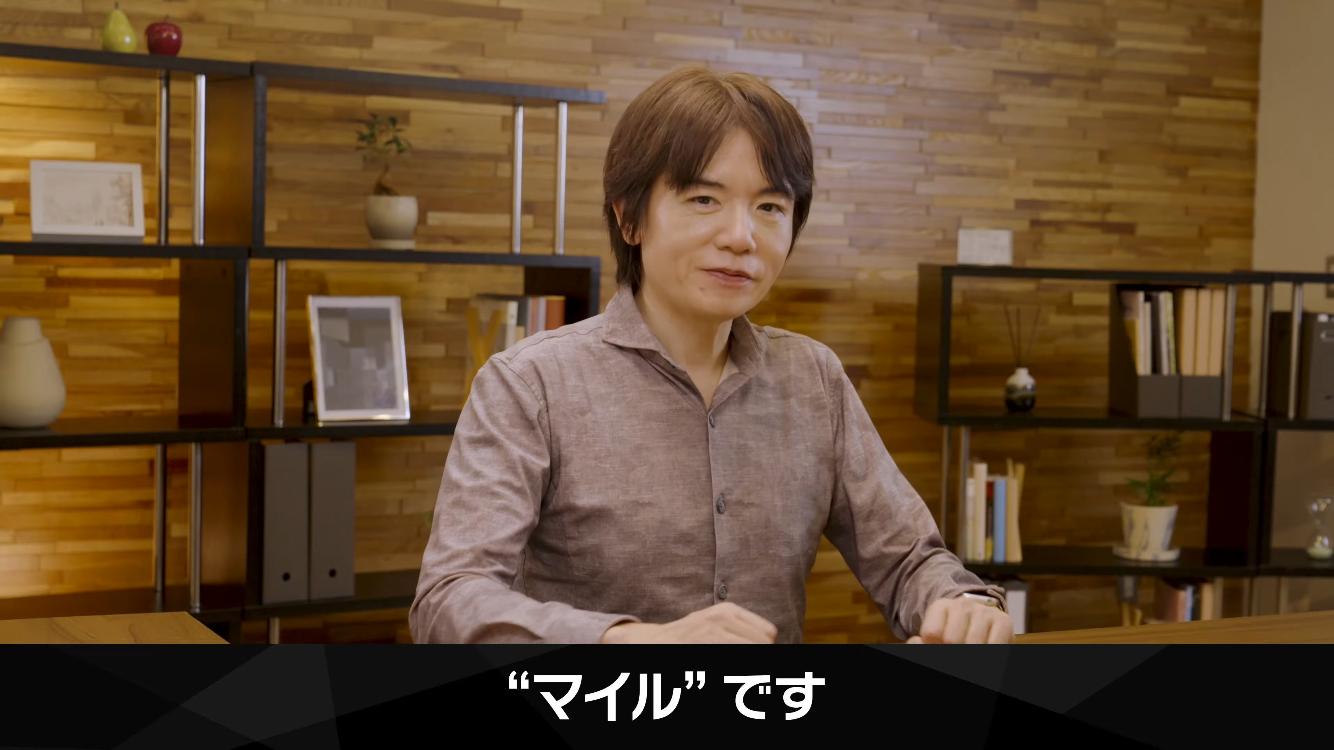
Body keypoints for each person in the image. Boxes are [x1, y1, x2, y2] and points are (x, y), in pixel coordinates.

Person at [410, 67, 1012, 645]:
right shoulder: (529, 384)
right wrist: (628, 639)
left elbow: (909, 559)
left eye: (770, 208)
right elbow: (449, 601)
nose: (740, 237)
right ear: (629, 217)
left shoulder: (814, 379)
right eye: (704, 199)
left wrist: (963, 605)